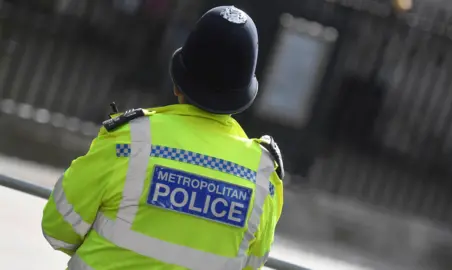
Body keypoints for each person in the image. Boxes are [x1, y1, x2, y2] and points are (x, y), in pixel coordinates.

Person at [41, 5, 284, 270]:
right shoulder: (262, 174)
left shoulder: (130, 140)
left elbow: (58, 226)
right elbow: (252, 262)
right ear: (242, 98)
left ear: (177, 84)